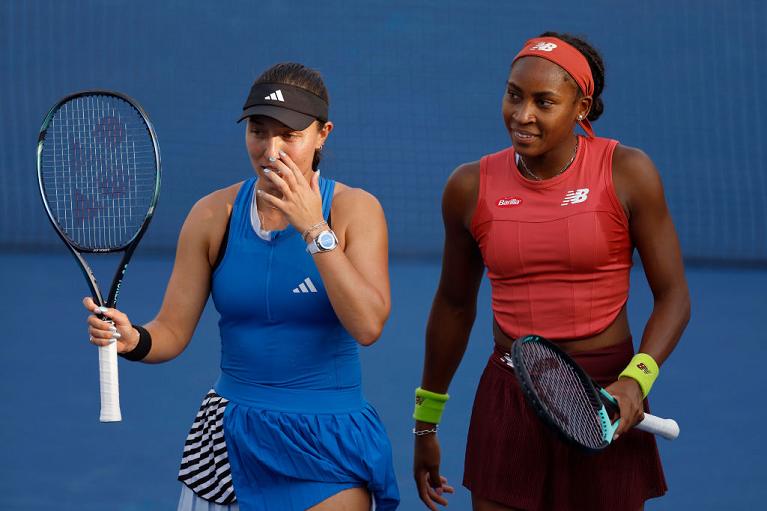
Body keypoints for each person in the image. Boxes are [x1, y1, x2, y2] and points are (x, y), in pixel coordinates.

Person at [84, 62, 400, 511]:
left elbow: (368, 325)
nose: (271, 150)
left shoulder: (355, 210)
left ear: (322, 134)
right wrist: (133, 338)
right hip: (229, 439)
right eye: (258, 130)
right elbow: (171, 331)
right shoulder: (213, 215)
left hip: (327, 438)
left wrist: (312, 227)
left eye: (289, 135)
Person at [412, 33, 691, 511]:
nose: (522, 115)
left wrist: (636, 379)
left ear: (582, 107)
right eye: (514, 95)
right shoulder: (468, 186)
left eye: (544, 102)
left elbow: (674, 297)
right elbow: (454, 307)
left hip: (606, 396)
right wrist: (426, 422)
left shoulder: (628, 172)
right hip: (509, 396)